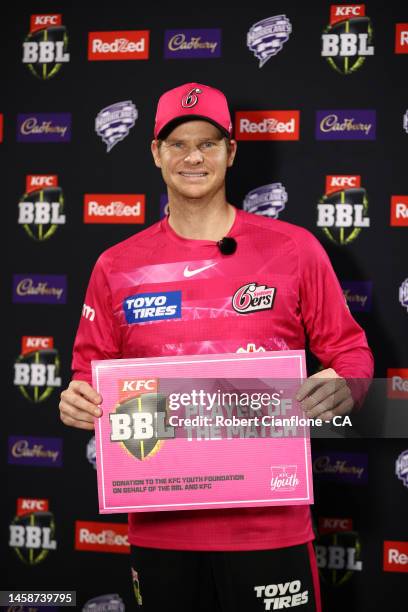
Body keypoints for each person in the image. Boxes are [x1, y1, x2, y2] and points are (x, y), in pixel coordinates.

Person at [59, 82, 373, 611]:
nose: (193, 157)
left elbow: (350, 352)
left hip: (270, 527)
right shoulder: (117, 265)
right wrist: (78, 400)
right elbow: (89, 374)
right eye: (177, 144)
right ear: (156, 154)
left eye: (207, 142)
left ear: (231, 151)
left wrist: (349, 385)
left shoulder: (294, 250)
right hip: (161, 528)